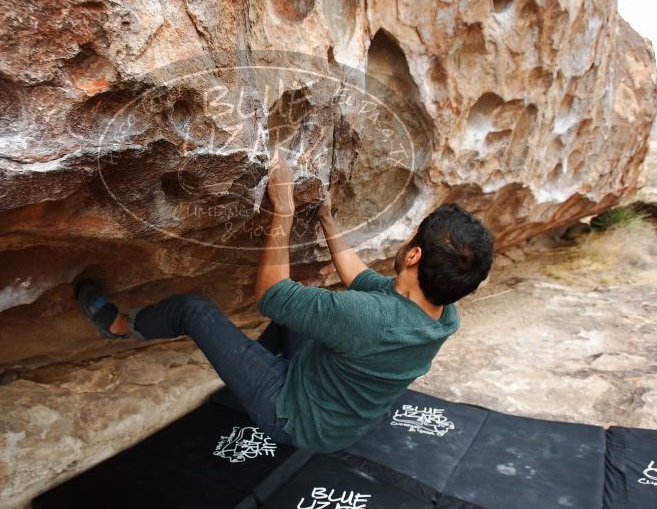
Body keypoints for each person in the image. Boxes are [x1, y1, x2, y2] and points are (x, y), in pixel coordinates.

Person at [76, 153, 494, 453]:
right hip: (339, 411)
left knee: (193, 309)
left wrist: (285, 210)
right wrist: (328, 219)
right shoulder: (441, 312)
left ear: (414, 255)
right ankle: (248, 368)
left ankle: (117, 327)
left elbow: (272, 295)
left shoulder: (368, 318)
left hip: (297, 416)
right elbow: (361, 279)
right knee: (305, 309)